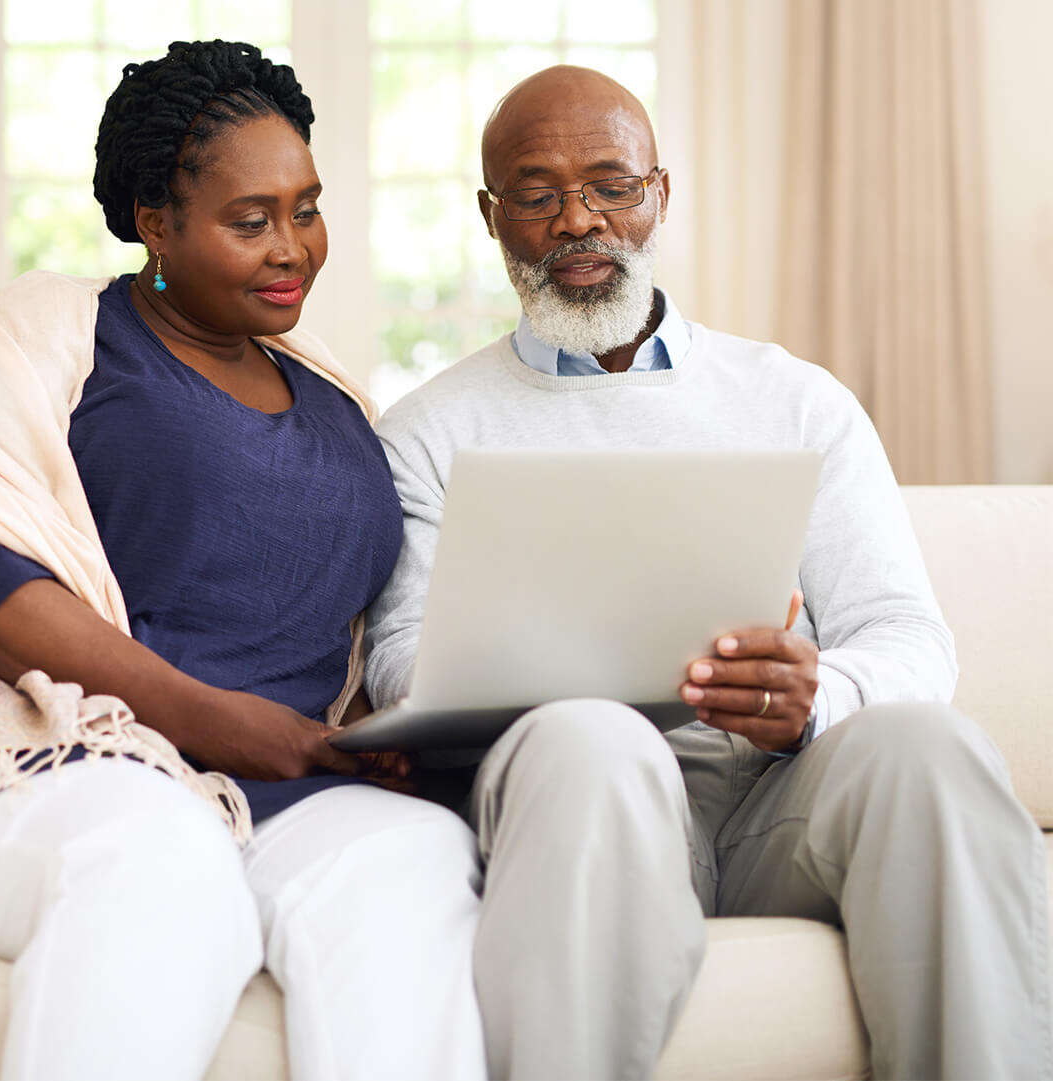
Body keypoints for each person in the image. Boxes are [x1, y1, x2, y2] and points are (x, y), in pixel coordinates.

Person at [0, 41, 486, 1081]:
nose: (293, 247)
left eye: (307, 207)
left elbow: (341, 644)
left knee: (410, 855)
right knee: (158, 856)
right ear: (157, 222)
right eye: (251, 221)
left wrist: (384, 732)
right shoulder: (45, 338)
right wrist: (214, 721)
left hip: (258, 783)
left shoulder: (340, 408)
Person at [365, 64, 1051, 1081]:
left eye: (611, 184)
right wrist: (551, 678)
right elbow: (398, 666)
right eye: (538, 194)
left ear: (661, 195)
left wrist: (818, 696)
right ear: (492, 217)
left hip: (783, 801)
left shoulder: (796, 401)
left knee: (929, 746)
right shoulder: (426, 432)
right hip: (581, 798)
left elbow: (910, 636)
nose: (577, 221)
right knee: (593, 736)